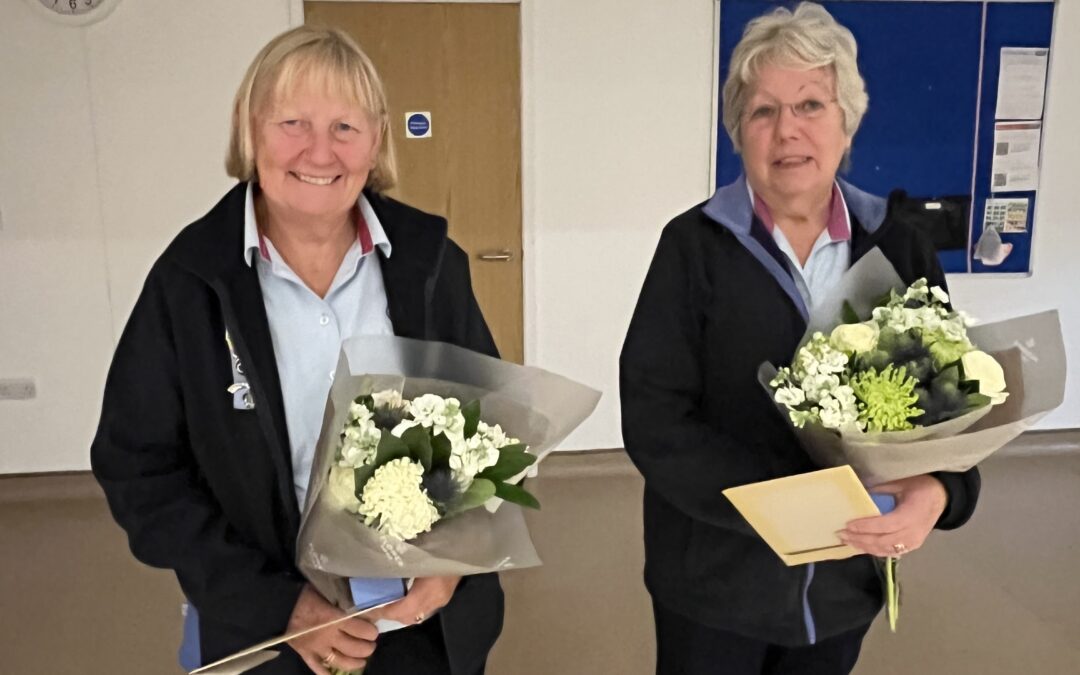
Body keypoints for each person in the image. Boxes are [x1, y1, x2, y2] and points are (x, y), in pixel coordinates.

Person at [91, 26, 501, 675]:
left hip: (422, 621)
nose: (320, 150)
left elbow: (487, 427)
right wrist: (278, 604)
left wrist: (454, 560)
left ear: (377, 139)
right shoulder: (190, 281)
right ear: (250, 131)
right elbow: (138, 468)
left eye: (345, 126)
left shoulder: (431, 263)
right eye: (292, 122)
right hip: (267, 629)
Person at [619, 4, 980, 674]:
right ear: (739, 132)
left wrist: (942, 491)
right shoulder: (692, 248)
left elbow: (949, 410)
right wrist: (787, 504)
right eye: (763, 111)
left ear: (847, 122)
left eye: (811, 104)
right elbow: (655, 418)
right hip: (714, 587)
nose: (787, 129)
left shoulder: (899, 245)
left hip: (845, 585)